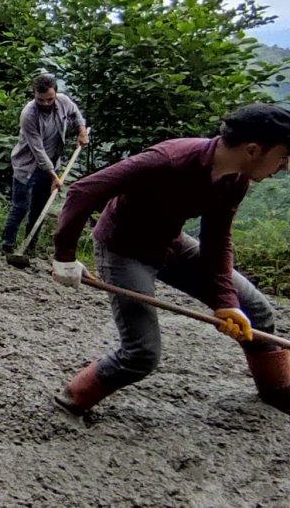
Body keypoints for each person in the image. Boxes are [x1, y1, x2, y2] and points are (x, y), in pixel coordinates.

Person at [50, 104, 290, 416]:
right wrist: (64, 257)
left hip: (171, 243)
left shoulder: (235, 180)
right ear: (253, 149)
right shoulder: (170, 160)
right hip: (124, 250)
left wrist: (225, 301)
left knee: (255, 310)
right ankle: (72, 399)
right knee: (141, 354)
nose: (284, 168)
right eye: (283, 157)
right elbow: (83, 190)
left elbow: (217, 241)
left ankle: (278, 392)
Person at [1, 74, 88, 255]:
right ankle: (7, 246)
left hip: (51, 165)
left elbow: (76, 113)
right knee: (20, 207)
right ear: (34, 94)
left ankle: (30, 247)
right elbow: (37, 150)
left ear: (55, 93)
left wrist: (81, 131)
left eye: (49, 99)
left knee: (39, 208)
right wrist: (54, 176)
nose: (46, 103)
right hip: (27, 167)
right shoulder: (28, 115)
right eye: (41, 100)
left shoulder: (63, 101)